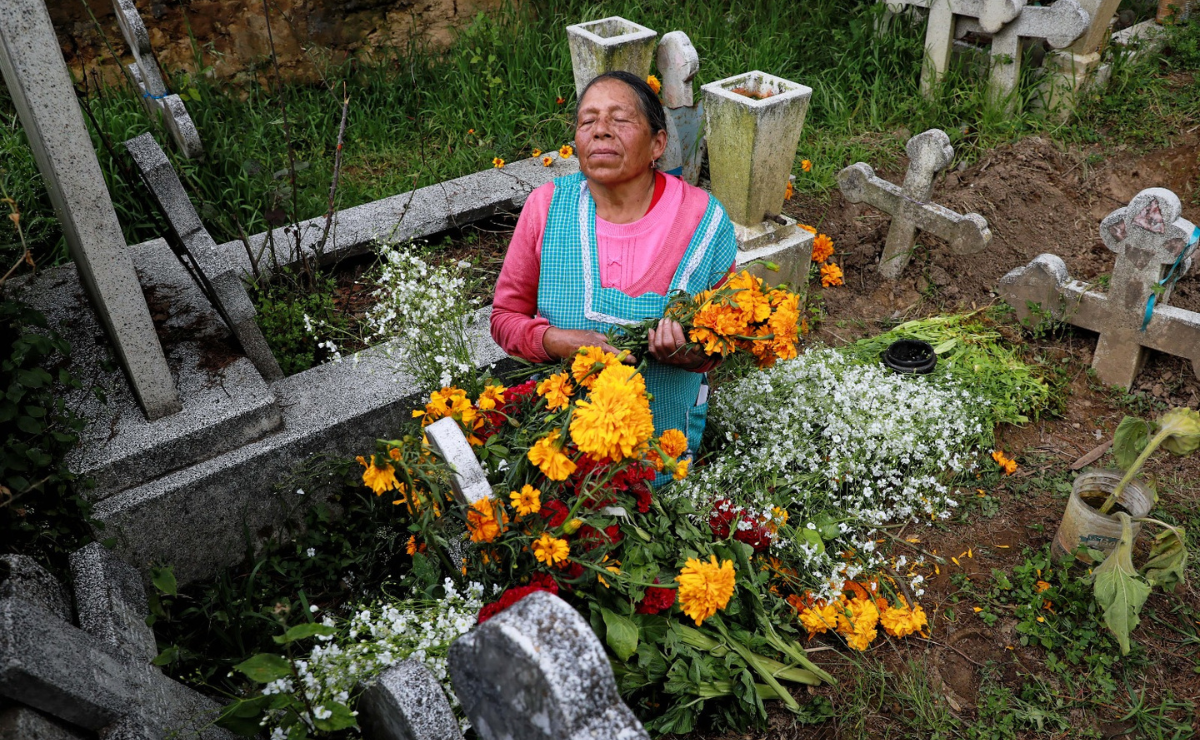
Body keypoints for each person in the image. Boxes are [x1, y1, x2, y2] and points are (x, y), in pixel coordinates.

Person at [491, 70, 737, 454]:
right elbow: (505, 318)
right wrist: (556, 341)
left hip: (661, 452)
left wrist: (692, 354)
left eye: (620, 119)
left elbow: (726, 337)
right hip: (560, 448)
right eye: (587, 121)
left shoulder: (704, 221)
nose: (601, 131)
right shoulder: (547, 207)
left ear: (657, 144)